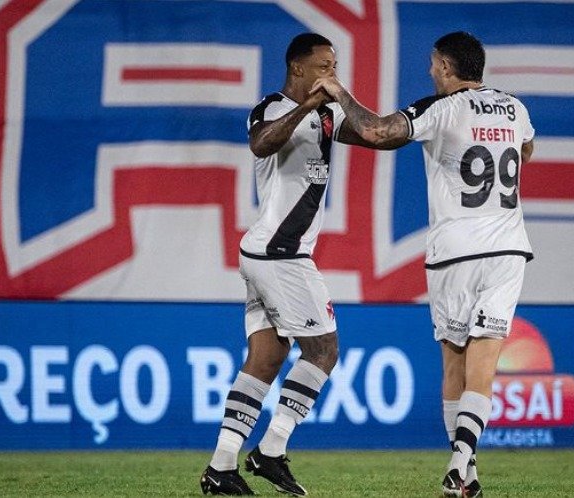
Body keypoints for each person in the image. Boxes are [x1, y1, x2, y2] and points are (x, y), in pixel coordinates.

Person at [312, 31, 535, 497]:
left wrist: (338, 95)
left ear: (449, 68)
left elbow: (377, 131)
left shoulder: (442, 108)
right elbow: (525, 150)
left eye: (434, 64)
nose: (430, 71)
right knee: (486, 361)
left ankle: (459, 462)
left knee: (455, 361)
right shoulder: (515, 108)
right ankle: (464, 471)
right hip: (509, 247)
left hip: (455, 249)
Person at [199, 32, 390, 496]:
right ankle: (270, 451)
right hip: (281, 254)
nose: (332, 72)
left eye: (336, 65)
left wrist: (339, 97)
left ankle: (221, 467)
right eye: (325, 65)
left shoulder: (328, 114)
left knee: (266, 358)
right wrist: (306, 107)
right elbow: (261, 144)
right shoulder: (270, 107)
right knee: (324, 351)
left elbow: (377, 135)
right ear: (298, 69)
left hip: (266, 254)